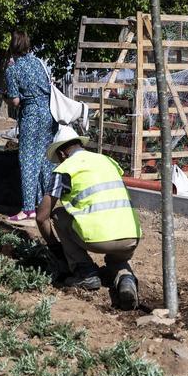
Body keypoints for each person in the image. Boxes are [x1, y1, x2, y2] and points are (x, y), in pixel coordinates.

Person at [35, 125, 140, 309]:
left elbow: (41, 217)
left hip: (99, 239)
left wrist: (55, 248)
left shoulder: (66, 169)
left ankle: (85, 272)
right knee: (116, 260)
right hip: (131, 235)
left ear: (62, 154)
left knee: (59, 214)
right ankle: (125, 278)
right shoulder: (107, 161)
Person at [3, 30, 58, 223]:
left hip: (32, 115)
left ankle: (28, 209)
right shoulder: (39, 63)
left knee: (27, 159)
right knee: (46, 159)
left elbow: (16, 100)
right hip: (49, 114)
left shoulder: (13, 69)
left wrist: (7, 97)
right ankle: (46, 206)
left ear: (12, 46)